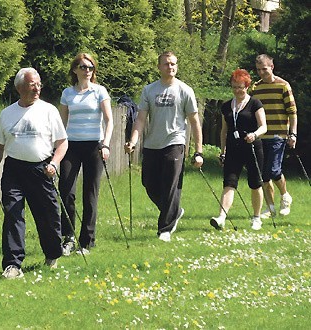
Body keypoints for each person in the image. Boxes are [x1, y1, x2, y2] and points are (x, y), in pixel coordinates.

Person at [0, 68, 68, 279]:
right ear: (20, 87)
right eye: (33, 84)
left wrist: (54, 163)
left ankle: (52, 254)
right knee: (13, 215)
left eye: (39, 84)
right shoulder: (7, 113)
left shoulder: (49, 111)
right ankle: (13, 264)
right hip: (14, 170)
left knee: (48, 214)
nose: (37, 88)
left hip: (42, 168)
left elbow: (62, 143)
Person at [125, 51, 203, 242]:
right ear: (159, 67)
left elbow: (194, 122)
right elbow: (141, 118)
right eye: (166, 64)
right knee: (149, 183)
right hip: (152, 144)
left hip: (175, 143)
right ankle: (174, 210)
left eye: (173, 64)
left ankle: (165, 229)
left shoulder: (185, 90)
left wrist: (198, 151)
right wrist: (133, 140)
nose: (170, 67)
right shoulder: (149, 90)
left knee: (170, 185)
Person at [58, 53, 113, 255]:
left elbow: (109, 120)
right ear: (75, 70)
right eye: (83, 67)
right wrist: (57, 147)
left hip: (93, 146)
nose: (87, 71)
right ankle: (68, 237)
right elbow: (61, 123)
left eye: (90, 67)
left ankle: (87, 240)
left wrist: (105, 144)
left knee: (90, 193)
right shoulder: (67, 93)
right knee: (66, 191)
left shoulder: (99, 91)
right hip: (71, 146)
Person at [210, 69, 267, 230]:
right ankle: (221, 217)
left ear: (247, 86)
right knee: (229, 182)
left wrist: (254, 135)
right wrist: (223, 151)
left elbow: (264, 127)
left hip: (252, 148)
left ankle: (256, 218)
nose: (237, 90)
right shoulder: (227, 106)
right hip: (233, 150)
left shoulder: (255, 104)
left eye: (240, 87)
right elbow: (224, 131)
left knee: (255, 183)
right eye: (234, 87)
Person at [250, 54, 297, 218]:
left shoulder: (283, 86)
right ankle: (270, 208)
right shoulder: (255, 88)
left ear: (272, 67)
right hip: (261, 136)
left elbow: (292, 113)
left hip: (278, 135)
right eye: (258, 70)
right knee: (263, 175)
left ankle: (285, 196)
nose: (261, 73)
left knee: (273, 169)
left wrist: (293, 134)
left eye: (264, 69)